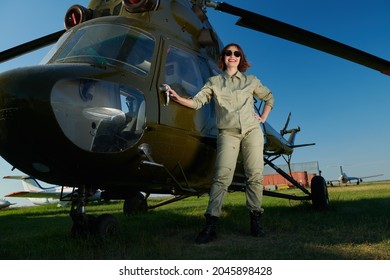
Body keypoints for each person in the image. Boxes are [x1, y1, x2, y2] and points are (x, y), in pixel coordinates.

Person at [165, 43, 274, 244]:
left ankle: (256, 221)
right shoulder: (214, 82)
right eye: (228, 53)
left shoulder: (251, 81)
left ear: (241, 58)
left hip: (252, 132)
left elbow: (269, 98)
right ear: (223, 58)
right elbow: (198, 102)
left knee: (255, 176)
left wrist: (262, 118)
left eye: (236, 53)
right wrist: (179, 98)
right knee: (222, 177)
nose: (232, 56)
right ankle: (211, 224)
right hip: (228, 134)